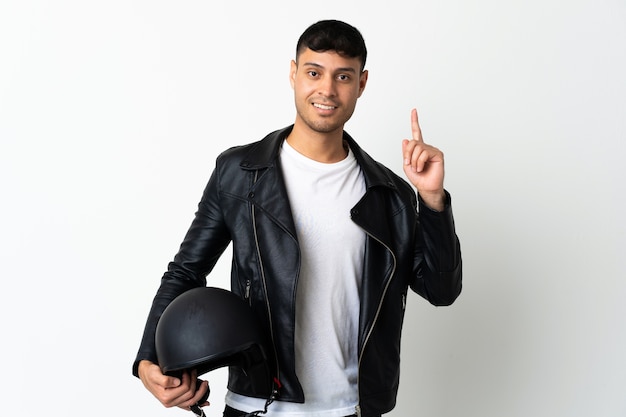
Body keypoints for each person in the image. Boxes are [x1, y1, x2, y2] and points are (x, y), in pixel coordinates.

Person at [133, 19, 462, 417]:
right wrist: (148, 359)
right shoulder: (238, 172)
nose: (327, 89)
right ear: (293, 74)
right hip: (257, 405)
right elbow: (185, 272)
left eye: (343, 76)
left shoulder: (388, 193)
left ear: (362, 83)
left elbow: (442, 290)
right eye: (313, 72)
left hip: (351, 408)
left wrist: (431, 199)